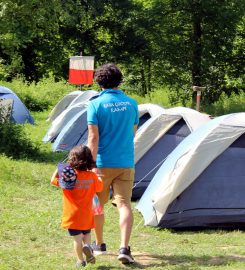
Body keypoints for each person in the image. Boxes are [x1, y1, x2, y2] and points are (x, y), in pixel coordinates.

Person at [87, 63, 139, 264]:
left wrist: (90, 164)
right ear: (119, 80)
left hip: (101, 163)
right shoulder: (132, 103)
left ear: (99, 82)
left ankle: (99, 244)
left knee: (97, 204)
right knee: (124, 204)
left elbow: (93, 138)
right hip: (125, 162)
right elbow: (132, 133)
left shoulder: (94, 104)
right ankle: (124, 248)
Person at [51, 144, 103, 268]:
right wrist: (98, 176)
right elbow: (100, 187)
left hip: (73, 215)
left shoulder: (68, 177)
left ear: (72, 159)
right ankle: (88, 247)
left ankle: (80, 260)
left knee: (77, 238)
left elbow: (52, 179)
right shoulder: (92, 176)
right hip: (87, 213)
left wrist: (60, 168)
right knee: (87, 234)